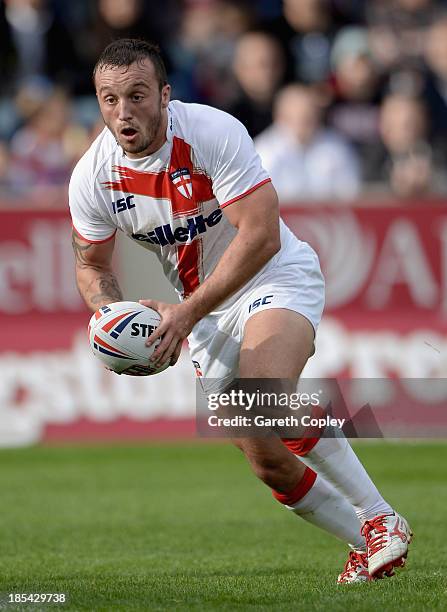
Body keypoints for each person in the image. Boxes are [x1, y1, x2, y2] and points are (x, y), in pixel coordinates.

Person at [69, 38, 412, 584]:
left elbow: (261, 236)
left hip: (269, 277)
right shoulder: (92, 177)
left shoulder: (210, 131)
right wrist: (111, 317)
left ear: (165, 93)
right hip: (202, 314)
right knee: (266, 458)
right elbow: (91, 265)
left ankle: (379, 517)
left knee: (262, 395)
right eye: (109, 100)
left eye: (137, 96)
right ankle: (368, 540)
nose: (123, 113)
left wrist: (183, 314)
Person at [254, 84, 361, 202]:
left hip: (328, 217)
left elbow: (351, 193)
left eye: (311, 116)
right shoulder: (263, 152)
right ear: (281, 117)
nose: (308, 124)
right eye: (301, 118)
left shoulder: (337, 147)